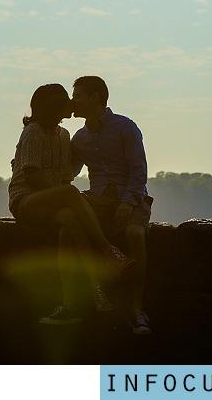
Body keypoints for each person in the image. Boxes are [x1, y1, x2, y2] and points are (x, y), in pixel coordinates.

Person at [8, 82, 135, 325]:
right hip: (25, 201)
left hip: (52, 202)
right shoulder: (34, 131)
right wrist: (65, 192)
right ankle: (109, 250)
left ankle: (83, 296)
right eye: (67, 99)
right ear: (53, 106)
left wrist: (69, 193)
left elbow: (67, 176)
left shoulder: (64, 135)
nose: (71, 103)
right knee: (70, 194)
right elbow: (31, 176)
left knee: (71, 224)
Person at [69, 75, 152, 335]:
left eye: (78, 95)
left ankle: (137, 309)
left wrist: (128, 203)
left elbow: (139, 171)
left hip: (132, 196)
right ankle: (95, 293)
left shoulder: (125, 127)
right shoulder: (78, 138)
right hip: (99, 200)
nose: (73, 101)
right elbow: (68, 172)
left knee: (135, 234)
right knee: (69, 230)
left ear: (95, 98)